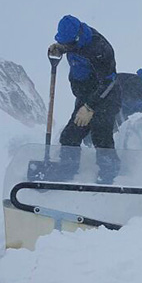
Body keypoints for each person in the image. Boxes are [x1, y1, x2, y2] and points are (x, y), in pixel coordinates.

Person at [48, 15, 120, 183]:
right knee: (69, 137)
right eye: (64, 43)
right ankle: (67, 172)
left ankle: (110, 175)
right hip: (86, 96)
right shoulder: (72, 42)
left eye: (68, 44)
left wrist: (89, 108)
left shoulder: (100, 49)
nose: (67, 47)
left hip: (106, 96)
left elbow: (109, 81)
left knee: (100, 134)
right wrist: (59, 48)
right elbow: (68, 46)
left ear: (78, 37)